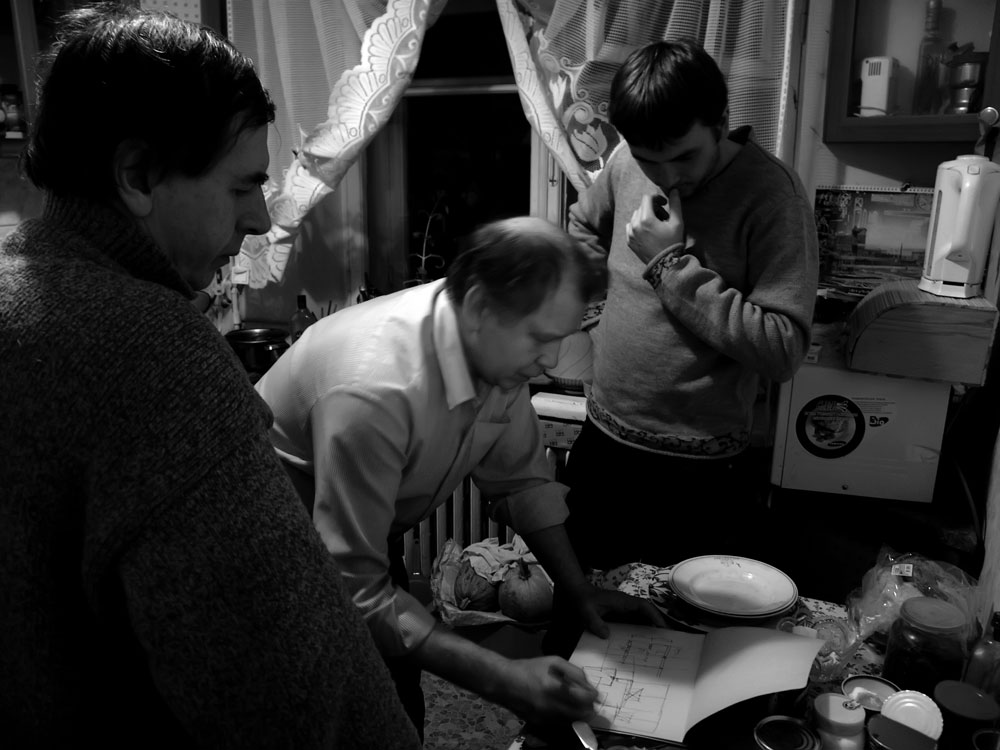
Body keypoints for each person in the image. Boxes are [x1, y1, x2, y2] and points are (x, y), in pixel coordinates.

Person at [0, 5, 419, 749]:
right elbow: (295, 692)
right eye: (241, 186)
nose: (260, 218)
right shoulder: (155, 352)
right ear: (137, 175)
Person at [254, 215, 666, 738]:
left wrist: (578, 590)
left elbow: (521, 481)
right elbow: (355, 590)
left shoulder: (494, 344)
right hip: (273, 557)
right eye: (540, 338)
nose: (549, 360)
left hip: (357, 544)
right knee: (327, 717)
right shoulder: (373, 390)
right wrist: (504, 678)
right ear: (476, 307)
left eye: (560, 338)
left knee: (396, 703)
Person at [563, 39, 820, 571]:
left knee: (684, 619)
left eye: (685, 157)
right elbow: (583, 223)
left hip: (701, 472)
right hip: (603, 441)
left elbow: (782, 349)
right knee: (584, 601)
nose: (667, 177)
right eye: (649, 160)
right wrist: (595, 313)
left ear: (721, 123)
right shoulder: (624, 163)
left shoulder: (773, 196)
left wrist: (668, 266)